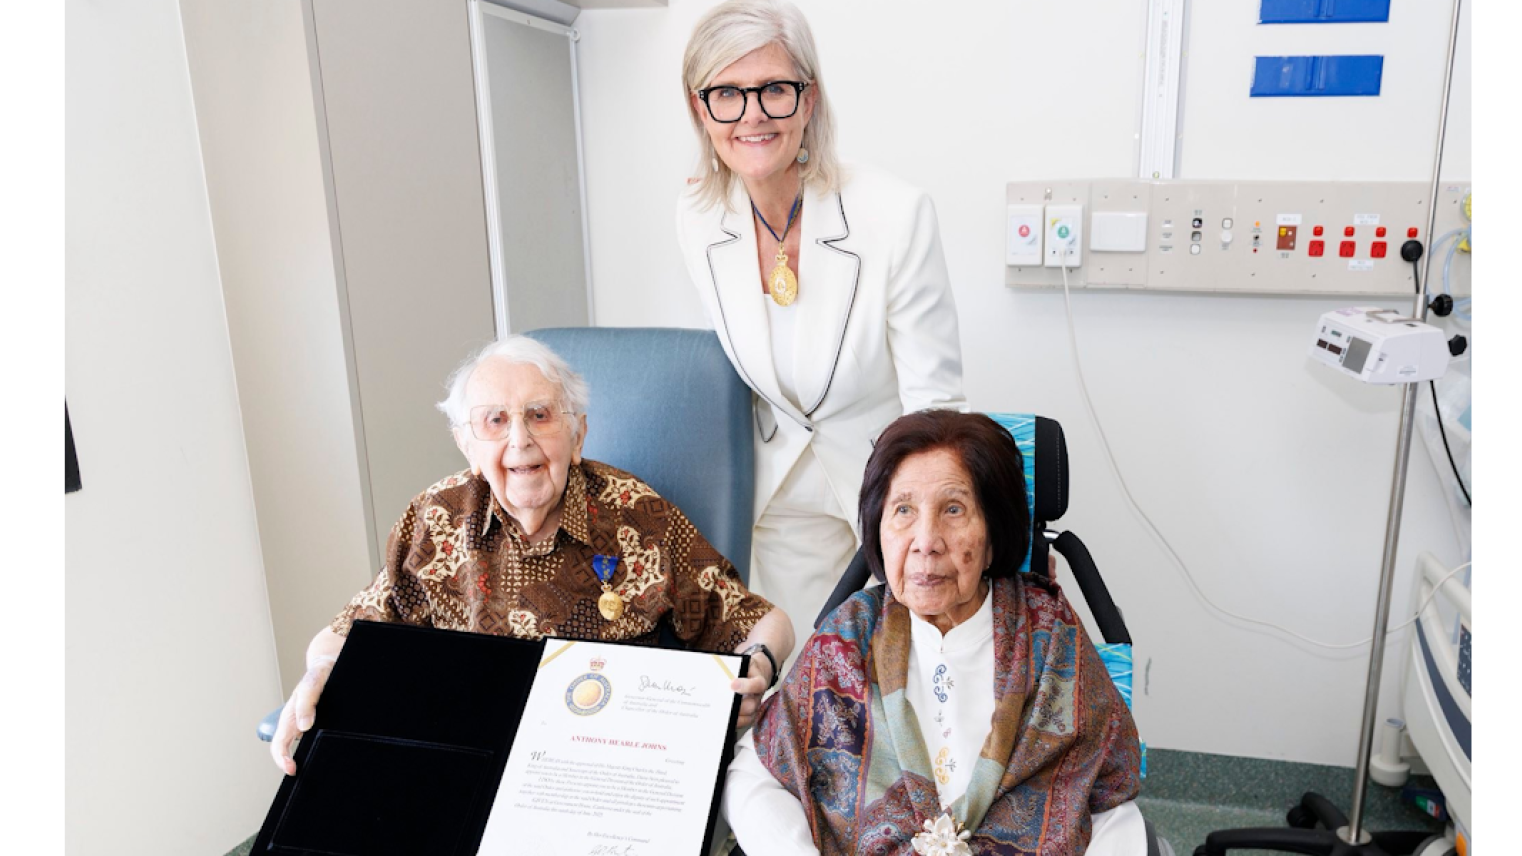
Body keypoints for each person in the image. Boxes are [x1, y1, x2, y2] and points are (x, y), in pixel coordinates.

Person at [270, 335, 794, 774]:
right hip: (468, 758)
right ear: (468, 446)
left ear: (577, 434)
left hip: (602, 765)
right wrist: (319, 672)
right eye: (495, 421)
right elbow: (346, 633)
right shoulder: (435, 518)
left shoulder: (637, 515)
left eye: (539, 415)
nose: (519, 440)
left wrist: (760, 664)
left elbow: (763, 621)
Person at [676, 0, 966, 659]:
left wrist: (929, 521)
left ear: (808, 100)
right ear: (701, 109)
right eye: (727, 93)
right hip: (782, 499)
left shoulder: (894, 214)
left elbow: (937, 402)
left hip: (891, 488)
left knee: (909, 684)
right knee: (798, 683)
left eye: (774, 89)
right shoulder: (697, 216)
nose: (752, 114)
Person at [722, 410, 1145, 855]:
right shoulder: (846, 639)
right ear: (879, 529)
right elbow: (756, 774)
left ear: (992, 536)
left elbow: (1110, 807)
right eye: (903, 510)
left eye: (953, 510)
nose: (926, 541)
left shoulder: (1052, 637)